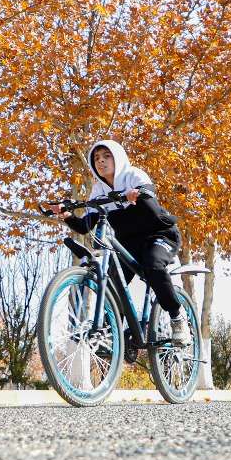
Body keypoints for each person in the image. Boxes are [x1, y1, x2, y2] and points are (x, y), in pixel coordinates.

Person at [45, 141, 190, 348]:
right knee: (112, 281)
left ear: (117, 157)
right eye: (96, 158)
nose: (101, 161)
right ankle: (112, 331)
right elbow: (85, 226)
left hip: (160, 236)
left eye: (106, 156)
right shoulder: (98, 190)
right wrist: (66, 214)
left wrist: (136, 194)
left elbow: (149, 192)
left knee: (153, 265)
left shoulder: (133, 175)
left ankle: (177, 316)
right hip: (129, 244)